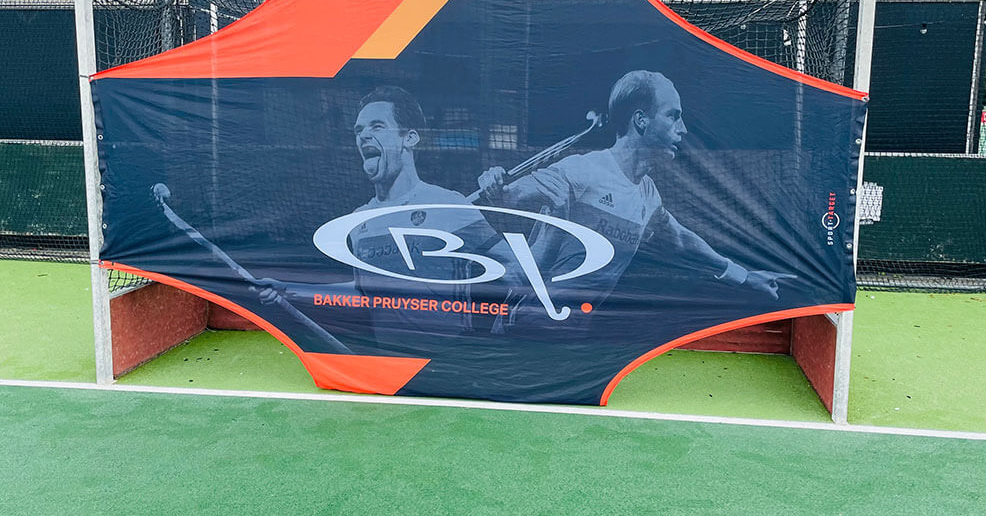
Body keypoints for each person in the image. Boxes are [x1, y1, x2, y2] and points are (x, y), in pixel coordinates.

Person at [475, 69, 792, 332]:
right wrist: (495, 183)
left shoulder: (648, 195)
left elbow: (682, 240)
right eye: (673, 116)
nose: (683, 129)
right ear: (641, 120)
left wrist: (744, 276)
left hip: (570, 333)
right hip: (524, 328)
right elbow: (508, 195)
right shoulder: (583, 170)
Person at [256, 85, 498, 352]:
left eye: (377, 126)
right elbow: (361, 292)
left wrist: (524, 198)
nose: (364, 136)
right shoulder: (358, 221)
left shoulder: (447, 204)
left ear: (410, 138)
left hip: (453, 358)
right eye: (358, 130)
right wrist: (288, 290)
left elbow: (517, 271)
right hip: (392, 359)